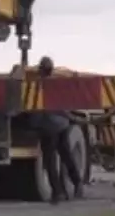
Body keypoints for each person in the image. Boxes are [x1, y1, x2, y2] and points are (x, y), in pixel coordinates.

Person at [31, 56, 84, 204]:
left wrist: (33, 125)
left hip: (48, 127)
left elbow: (36, 110)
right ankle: (77, 183)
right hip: (62, 125)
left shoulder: (39, 86)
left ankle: (58, 192)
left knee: (50, 161)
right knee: (66, 156)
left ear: (41, 70)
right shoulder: (58, 85)